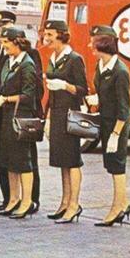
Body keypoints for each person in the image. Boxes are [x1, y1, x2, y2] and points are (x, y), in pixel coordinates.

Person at [0, 11, 42, 213]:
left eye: (6, 26)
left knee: (26, 159)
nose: (2, 31)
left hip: (23, 113)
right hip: (3, 113)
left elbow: (34, 89)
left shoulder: (30, 57)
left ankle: (31, 200)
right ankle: (10, 198)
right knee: (6, 158)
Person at [42, 19, 88, 224]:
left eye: (50, 34)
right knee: (62, 161)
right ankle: (64, 202)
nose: (46, 38)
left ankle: (74, 204)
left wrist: (65, 85)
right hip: (57, 115)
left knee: (72, 160)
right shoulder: (53, 58)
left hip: (70, 115)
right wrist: (48, 118)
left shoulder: (74, 59)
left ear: (61, 34)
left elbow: (82, 91)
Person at [89, 25, 130, 227]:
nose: (90, 45)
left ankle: (117, 209)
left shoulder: (120, 71)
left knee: (117, 165)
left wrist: (116, 133)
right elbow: (104, 92)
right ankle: (124, 203)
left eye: (94, 42)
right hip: (106, 121)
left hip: (118, 124)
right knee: (111, 164)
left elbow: (124, 107)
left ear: (102, 45)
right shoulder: (101, 66)